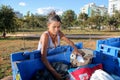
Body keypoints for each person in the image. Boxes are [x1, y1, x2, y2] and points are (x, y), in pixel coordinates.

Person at [37, 11, 83, 80]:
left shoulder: (59, 33)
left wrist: (76, 49)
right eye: (54, 27)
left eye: (58, 27)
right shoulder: (45, 36)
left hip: (53, 62)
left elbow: (69, 42)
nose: (56, 29)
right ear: (48, 25)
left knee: (70, 70)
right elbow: (43, 58)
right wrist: (55, 74)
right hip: (45, 64)